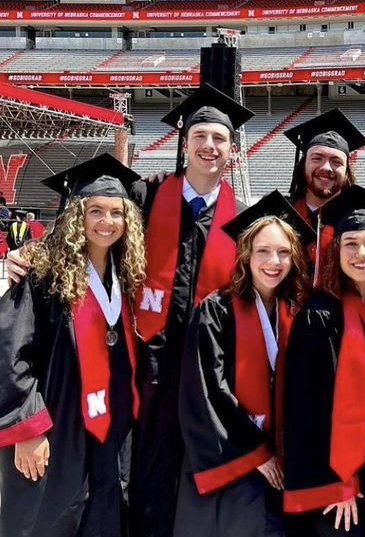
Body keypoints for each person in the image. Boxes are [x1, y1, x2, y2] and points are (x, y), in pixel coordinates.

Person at [128, 83, 253, 537]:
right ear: (184, 144)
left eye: (219, 139)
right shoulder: (143, 198)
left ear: (232, 151)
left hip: (206, 367)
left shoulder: (243, 220)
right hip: (149, 359)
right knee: (146, 464)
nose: (209, 146)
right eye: (200, 136)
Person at [0, 154, 145, 537]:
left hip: (112, 423)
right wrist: (27, 429)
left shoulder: (128, 276)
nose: (106, 222)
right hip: (57, 424)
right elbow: (11, 352)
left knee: (106, 511)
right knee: (52, 518)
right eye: (95, 210)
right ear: (75, 215)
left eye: (116, 213)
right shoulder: (42, 274)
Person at [174, 189, 315, 537]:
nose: (274, 261)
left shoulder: (297, 312)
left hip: (281, 462)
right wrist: (256, 451)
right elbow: (207, 392)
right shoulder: (216, 311)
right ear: (246, 254)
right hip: (233, 462)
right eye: (263, 251)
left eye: (283, 252)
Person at [281, 185, 365, 537]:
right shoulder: (318, 317)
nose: (362, 253)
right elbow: (303, 412)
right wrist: (336, 484)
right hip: (338, 489)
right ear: (336, 251)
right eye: (351, 243)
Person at [283, 109, 365, 285]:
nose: (326, 168)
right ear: (303, 165)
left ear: (347, 172)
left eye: (336, 162)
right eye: (317, 158)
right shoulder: (280, 214)